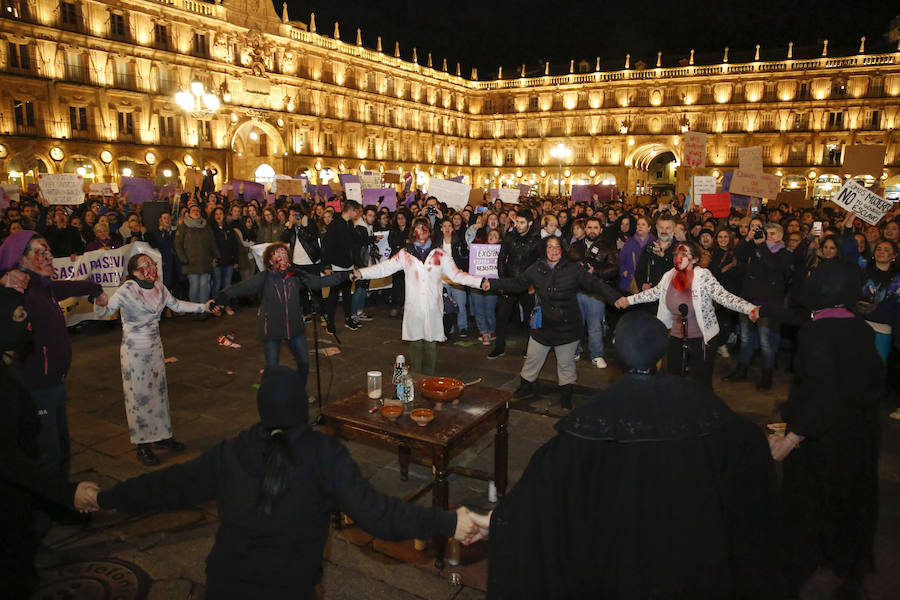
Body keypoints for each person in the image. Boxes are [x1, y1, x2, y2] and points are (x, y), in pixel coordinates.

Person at [91, 367, 482, 599]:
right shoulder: (323, 454)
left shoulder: (231, 451)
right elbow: (379, 516)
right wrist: (447, 522)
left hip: (227, 586)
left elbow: (167, 486)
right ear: (300, 408)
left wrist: (106, 496)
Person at [471, 312, 781, 599]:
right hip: (691, 563)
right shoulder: (705, 408)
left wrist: (500, 522)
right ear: (661, 357)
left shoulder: (588, 424)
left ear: (617, 358)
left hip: (618, 568)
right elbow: (751, 474)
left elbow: (539, 499)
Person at [762, 261, 884, 598]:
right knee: (848, 502)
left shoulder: (816, 331)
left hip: (823, 439)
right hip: (858, 434)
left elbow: (821, 390)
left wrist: (793, 435)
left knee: (809, 505)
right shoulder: (862, 328)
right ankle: (844, 568)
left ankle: (803, 571)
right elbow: (874, 381)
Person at [0, 231, 106, 533]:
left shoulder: (43, 287)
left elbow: (67, 286)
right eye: (38, 253)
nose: (47, 257)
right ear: (19, 258)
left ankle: (63, 506)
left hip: (55, 385)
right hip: (35, 388)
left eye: (48, 252)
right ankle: (40, 525)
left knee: (61, 447)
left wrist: (94, 287)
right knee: (46, 455)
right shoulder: (17, 288)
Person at [0, 287, 100, 598]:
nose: (28, 325)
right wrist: (67, 494)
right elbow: (8, 459)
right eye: (20, 318)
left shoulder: (9, 370)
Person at [94, 254, 215, 466]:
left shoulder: (159, 288)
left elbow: (177, 305)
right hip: (134, 351)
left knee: (158, 392)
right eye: (146, 265)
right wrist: (99, 300)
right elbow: (105, 312)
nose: (151, 267)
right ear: (134, 272)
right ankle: (143, 445)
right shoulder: (127, 290)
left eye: (152, 263)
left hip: (155, 348)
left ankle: (162, 435)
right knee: (139, 397)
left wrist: (203, 307)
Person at [485, 236, 622, 408]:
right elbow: (517, 283)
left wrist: (615, 298)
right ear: (544, 250)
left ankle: (566, 396)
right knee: (533, 359)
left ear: (562, 250)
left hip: (567, 325)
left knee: (566, 364)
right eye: (549, 247)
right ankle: (525, 387)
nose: (553, 250)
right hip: (542, 324)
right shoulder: (536, 268)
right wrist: (492, 283)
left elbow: (595, 284)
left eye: (557, 247)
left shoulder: (574, 269)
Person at [351, 216, 485, 375]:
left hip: (432, 306)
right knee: (415, 344)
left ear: (430, 231)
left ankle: (428, 380)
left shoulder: (439, 254)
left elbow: (457, 275)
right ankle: (416, 379)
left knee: (430, 344)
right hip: (414, 307)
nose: (421, 231)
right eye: (418, 228)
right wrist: (361, 273)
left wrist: (480, 281)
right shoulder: (405, 254)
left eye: (424, 228)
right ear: (413, 232)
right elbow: (384, 268)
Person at [616, 241, 760, 388]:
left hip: (702, 337)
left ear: (695, 259)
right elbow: (653, 293)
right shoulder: (669, 275)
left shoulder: (702, 276)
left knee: (702, 382)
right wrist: (628, 300)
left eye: (684, 254)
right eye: (677, 253)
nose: (679, 257)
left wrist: (749, 308)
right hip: (676, 336)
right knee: (673, 378)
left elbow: (725, 297)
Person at [214, 243, 347, 390]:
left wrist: (344, 276)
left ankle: (298, 391)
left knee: (304, 362)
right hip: (271, 328)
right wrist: (223, 295)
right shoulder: (264, 277)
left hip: (294, 327)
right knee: (272, 366)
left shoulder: (296, 276)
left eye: (285, 254)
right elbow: (241, 287)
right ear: (270, 260)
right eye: (278, 254)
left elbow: (319, 282)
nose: (283, 257)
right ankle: (269, 395)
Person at [724, 221, 793, 390]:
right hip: (748, 301)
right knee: (746, 338)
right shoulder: (755, 247)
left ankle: (766, 375)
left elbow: (773, 265)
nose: (768, 237)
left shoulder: (784, 253)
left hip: (769, 305)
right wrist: (748, 238)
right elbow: (739, 254)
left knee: (765, 341)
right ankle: (742, 369)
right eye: (766, 233)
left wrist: (761, 246)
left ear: (781, 236)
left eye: (773, 234)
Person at [567, 216, 618, 369]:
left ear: (601, 230)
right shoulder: (575, 246)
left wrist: (595, 272)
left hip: (596, 292)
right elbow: (566, 266)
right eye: (589, 227)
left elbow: (614, 268)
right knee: (575, 324)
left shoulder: (608, 247)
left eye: (596, 227)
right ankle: (575, 351)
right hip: (576, 291)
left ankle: (596, 354)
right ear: (585, 228)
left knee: (595, 326)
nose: (592, 230)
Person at [488, 210, 540, 359]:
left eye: (522, 222)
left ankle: (530, 348)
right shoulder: (510, 237)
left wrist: (533, 284)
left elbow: (540, 263)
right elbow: (501, 259)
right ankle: (499, 347)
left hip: (527, 283)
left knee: (530, 318)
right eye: (517, 222)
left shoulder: (536, 240)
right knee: (502, 316)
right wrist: (504, 281)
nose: (518, 225)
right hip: (509, 282)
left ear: (530, 223)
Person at [321, 200, 361, 333]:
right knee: (333, 296)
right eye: (356, 211)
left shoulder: (349, 224)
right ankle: (330, 323)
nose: (357, 214)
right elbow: (327, 247)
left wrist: (371, 239)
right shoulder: (335, 225)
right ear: (351, 210)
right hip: (336, 266)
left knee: (347, 294)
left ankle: (348, 319)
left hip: (348, 265)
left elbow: (355, 241)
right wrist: (327, 266)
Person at [175, 204, 219, 312]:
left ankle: (204, 309)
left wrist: (216, 256)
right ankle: (194, 310)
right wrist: (184, 259)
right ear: (189, 213)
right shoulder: (184, 226)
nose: (196, 212)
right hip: (191, 263)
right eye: (193, 210)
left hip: (205, 261)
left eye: (198, 210)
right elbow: (178, 244)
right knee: (194, 287)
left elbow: (212, 242)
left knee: (205, 286)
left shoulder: (206, 225)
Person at [209, 207, 239, 316]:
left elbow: (234, 245)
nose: (218, 216)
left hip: (229, 261)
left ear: (224, 215)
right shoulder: (211, 229)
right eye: (216, 214)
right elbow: (209, 246)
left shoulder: (229, 228)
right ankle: (216, 307)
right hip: (217, 262)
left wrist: (235, 260)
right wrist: (212, 258)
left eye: (220, 213)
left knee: (227, 285)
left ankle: (226, 305)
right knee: (216, 285)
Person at [618, 215, 654, 293]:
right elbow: (621, 259)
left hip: (647, 283)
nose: (640, 226)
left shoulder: (654, 242)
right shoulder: (630, 241)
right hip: (630, 279)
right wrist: (624, 272)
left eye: (643, 224)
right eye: (638, 224)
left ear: (649, 227)